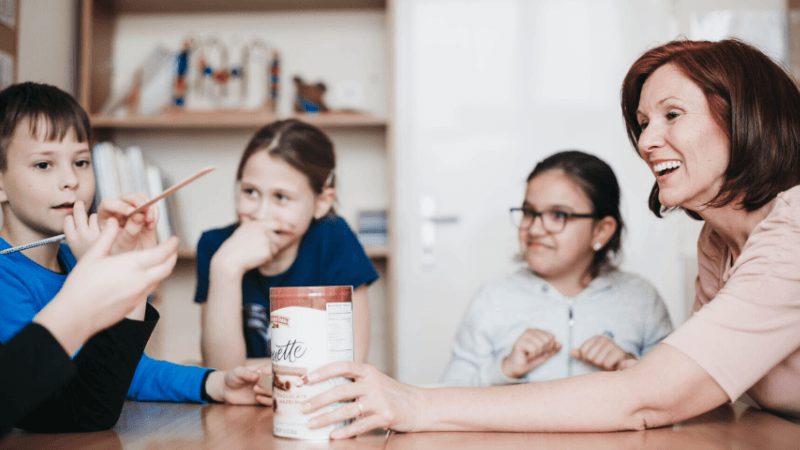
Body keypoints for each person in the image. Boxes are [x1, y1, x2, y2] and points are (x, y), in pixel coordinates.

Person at [282, 39, 800, 438]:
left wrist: (416, 404)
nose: (645, 142)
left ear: (746, 118)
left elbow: (654, 396)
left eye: (671, 115)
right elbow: (703, 393)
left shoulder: (792, 232)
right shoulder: (718, 238)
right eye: (642, 123)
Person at [0, 82, 263, 406]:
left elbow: (124, 371)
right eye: (44, 165)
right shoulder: (5, 278)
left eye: (81, 162)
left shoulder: (70, 257)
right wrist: (96, 275)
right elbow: (59, 396)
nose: (71, 179)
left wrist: (215, 383)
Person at [440, 151, 672, 386]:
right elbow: (449, 394)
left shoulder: (641, 299)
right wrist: (504, 370)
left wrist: (631, 365)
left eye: (558, 214)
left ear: (601, 230)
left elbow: (673, 389)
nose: (535, 229)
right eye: (529, 212)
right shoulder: (492, 301)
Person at [195, 119, 378, 374]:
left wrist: (247, 369)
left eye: (281, 197)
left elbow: (349, 365)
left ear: (322, 203)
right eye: (250, 192)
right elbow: (222, 374)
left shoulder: (335, 238)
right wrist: (226, 268)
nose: (261, 214)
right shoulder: (215, 247)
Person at [0, 220, 178, 439]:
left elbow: (97, 397)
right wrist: (83, 305)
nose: (71, 183)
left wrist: (209, 382)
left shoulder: (73, 257)